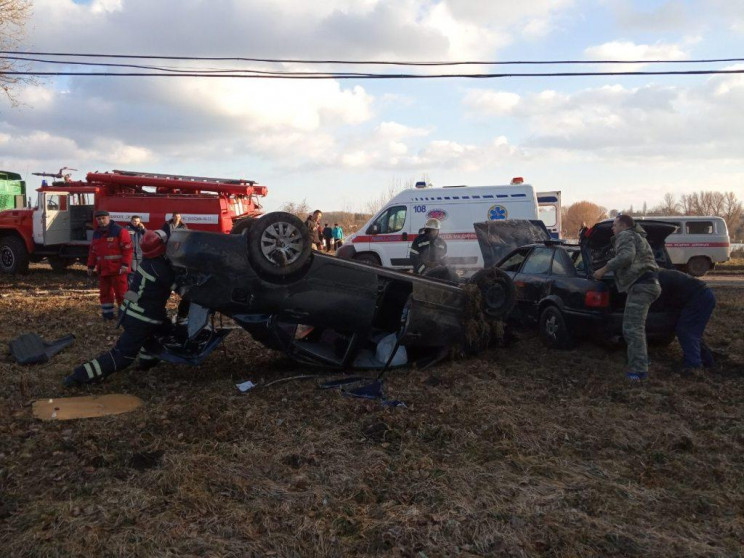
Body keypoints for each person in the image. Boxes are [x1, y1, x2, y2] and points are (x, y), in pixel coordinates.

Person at [64, 230, 175, 387]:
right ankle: (79, 376)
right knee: (122, 357)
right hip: (141, 318)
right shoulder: (160, 268)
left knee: (164, 331)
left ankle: (147, 363)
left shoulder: (150, 262)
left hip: (133, 311)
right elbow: (182, 287)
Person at [593, 215, 661, 381]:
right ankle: (642, 359)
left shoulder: (626, 235)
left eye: (614, 225)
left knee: (632, 329)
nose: (612, 228)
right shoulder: (638, 237)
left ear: (623, 225)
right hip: (649, 285)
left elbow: (626, 257)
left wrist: (603, 269)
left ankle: (638, 371)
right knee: (637, 327)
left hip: (641, 286)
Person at [657, 269, 716, 372]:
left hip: (699, 297)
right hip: (703, 295)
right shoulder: (662, 274)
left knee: (686, 331)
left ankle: (693, 366)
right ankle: (707, 360)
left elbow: (661, 301)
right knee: (693, 332)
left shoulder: (656, 280)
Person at [87, 211, 133, 320]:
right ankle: (108, 315)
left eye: (103, 218)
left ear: (108, 218)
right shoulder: (97, 233)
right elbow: (93, 251)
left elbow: (128, 250)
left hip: (118, 270)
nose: (101, 221)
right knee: (105, 294)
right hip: (103, 270)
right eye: (99, 219)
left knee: (122, 294)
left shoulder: (120, 231)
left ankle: (125, 316)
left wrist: (125, 265)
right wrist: (90, 266)